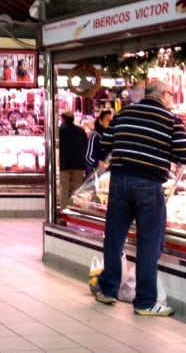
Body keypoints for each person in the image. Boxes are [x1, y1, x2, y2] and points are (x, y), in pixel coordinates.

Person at [92, 79, 186, 316]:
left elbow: (105, 143)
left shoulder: (125, 114)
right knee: (149, 242)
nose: (172, 100)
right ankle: (144, 302)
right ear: (163, 95)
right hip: (149, 184)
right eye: (172, 95)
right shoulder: (171, 121)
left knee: (114, 237)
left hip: (119, 181)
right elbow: (183, 154)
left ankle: (108, 289)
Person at [58, 110, 87, 209]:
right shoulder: (81, 130)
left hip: (64, 164)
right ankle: (76, 211)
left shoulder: (59, 130)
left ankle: (64, 212)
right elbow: (85, 145)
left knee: (64, 189)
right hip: (79, 164)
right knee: (77, 189)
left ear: (63, 119)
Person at [85, 109, 114, 177]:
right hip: (97, 175)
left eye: (111, 121)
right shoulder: (95, 136)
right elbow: (88, 157)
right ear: (100, 121)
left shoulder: (113, 136)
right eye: (107, 120)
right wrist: (100, 163)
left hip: (110, 175)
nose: (110, 123)